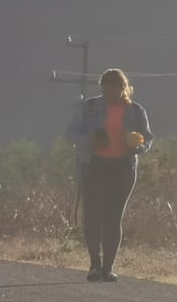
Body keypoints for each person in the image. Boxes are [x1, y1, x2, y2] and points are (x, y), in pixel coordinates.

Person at [66, 69, 154, 282]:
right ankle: (94, 265)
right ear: (101, 87)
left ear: (123, 88)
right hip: (94, 165)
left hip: (123, 168)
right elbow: (70, 133)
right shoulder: (90, 107)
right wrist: (91, 139)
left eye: (115, 87)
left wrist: (138, 144)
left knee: (113, 218)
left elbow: (148, 139)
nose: (110, 91)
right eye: (106, 87)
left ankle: (109, 267)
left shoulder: (135, 111)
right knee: (93, 215)